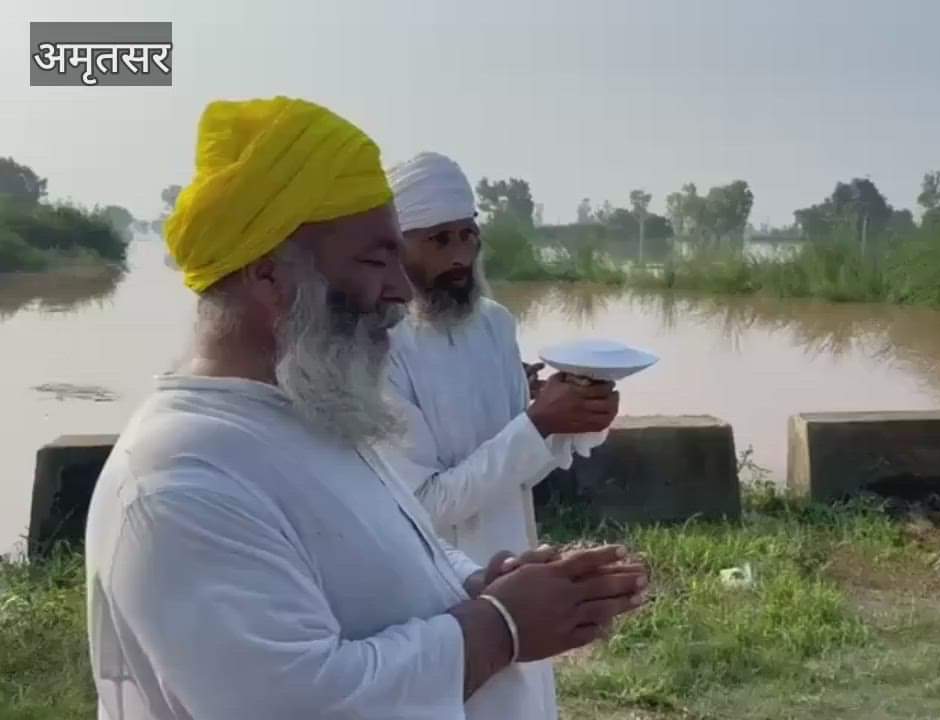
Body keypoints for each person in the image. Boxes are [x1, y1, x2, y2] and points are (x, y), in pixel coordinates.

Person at [84, 97, 647, 720]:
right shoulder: (178, 483)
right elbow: (302, 704)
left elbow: (397, 555)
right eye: (378, 259)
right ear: (270, 277)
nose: (402, 292)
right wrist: (501, 625)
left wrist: (479, 583)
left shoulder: (311, 414)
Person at [380, 152, 619, 719]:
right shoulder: (377, 346)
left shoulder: (494, 324)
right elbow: (420, 509)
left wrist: (572, 419)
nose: (461, 256)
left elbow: (517, 471)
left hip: (517, 565)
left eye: (469, 235)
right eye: (439, 240)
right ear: (396, 245)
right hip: (438, 594)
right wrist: (538, 424)